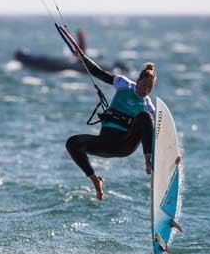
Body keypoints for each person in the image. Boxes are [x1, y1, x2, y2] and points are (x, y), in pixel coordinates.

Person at [65, 55, 157, 201]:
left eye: (150, 87)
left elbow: (158, 131)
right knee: (72, 143)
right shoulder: (123, 84)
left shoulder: (148, 106)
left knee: (146, 117)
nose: (146, 89)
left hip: (125, 144)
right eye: (144, 84)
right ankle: (96, 180)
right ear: (138, 81)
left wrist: (173, 154)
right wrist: (82, 56)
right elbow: (97, 72)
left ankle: (148, 161)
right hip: (105, 142)